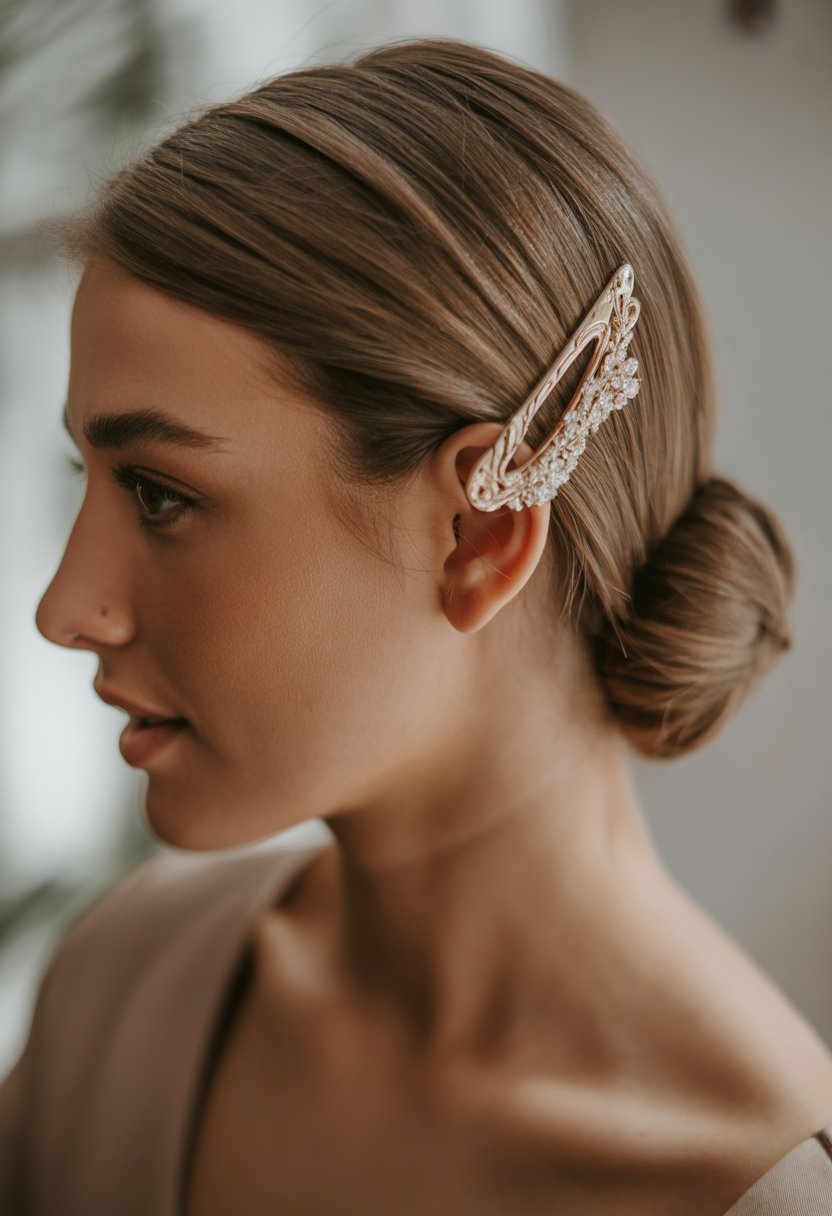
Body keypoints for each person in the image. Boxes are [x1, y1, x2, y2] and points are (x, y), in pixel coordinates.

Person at [1, 35, 831, 1216]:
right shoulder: (126, 988)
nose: (62, 608)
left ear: (479, 537)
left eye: (160, 495)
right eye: (85, 477)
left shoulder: (743, 1191)